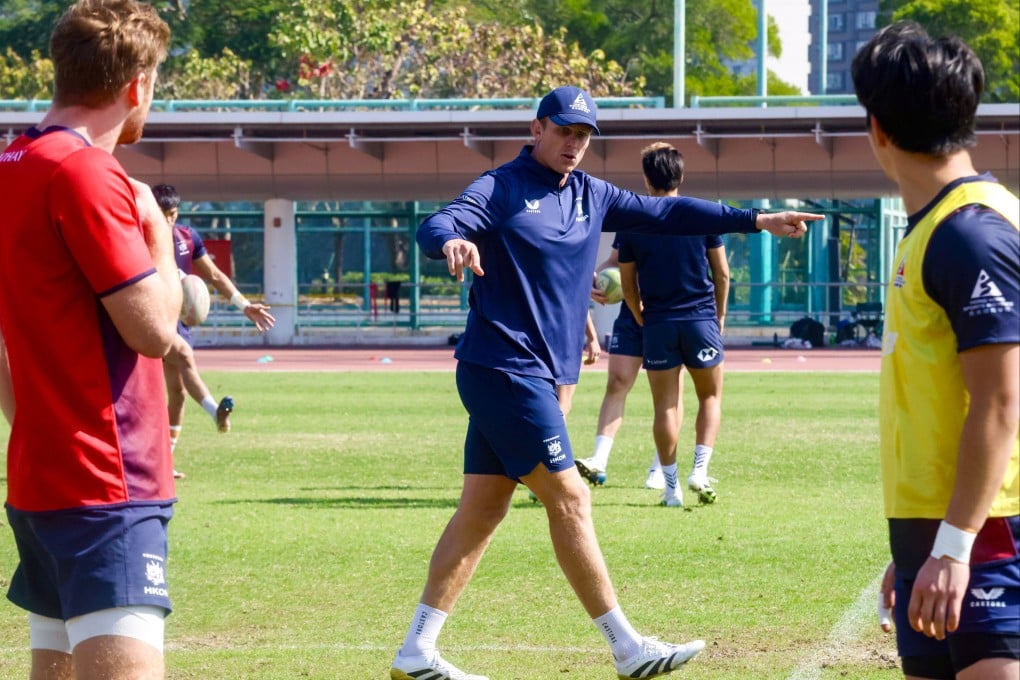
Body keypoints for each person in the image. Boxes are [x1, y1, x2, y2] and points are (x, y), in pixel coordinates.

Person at [391, 85, 821, 680]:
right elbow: (440, 221)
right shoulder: (503, 185)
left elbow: (669, 213)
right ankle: (626, 647)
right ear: (537, 128)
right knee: (571, 497)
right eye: (565, 131)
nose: (575, 144)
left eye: (585, 135)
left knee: (482, 511)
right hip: (503, 368)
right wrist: (453, 241)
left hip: (533, 372)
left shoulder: (593, 195)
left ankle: (417, 651)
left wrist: (756, 220)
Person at [0, 2, 180, 678]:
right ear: (137, 84)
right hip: (109, 484)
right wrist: (158, 235)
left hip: (42, 476)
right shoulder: (88, 174)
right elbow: (155, 330)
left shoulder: (11, 164)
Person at [852, 22, 1020, 680]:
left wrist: (954, 544)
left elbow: (1002, 400)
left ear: (877, 128)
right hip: (940, 525)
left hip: (989, 533)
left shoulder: (970, 232)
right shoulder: (938, 226)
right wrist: (922, 542)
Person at [577, 143, 730, 493]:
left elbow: (628, 282)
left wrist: (636, 310)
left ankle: (667, 480)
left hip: (654, 318)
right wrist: (719, 316)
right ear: (682, 174)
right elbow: (722, 274)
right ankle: (693, 472)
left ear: (646, 178)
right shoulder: (704, 214)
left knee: (666, 403)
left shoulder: (636, 223)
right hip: (692, 319)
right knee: (700, 397)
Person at [151, 184, 275, 478]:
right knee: (182, 359)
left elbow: (215, 275)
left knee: (177, 392)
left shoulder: (186, 237)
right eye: (161, 214)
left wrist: (244, 306)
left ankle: (164, 463)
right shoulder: (138, 238)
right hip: (149, 317)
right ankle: (214, 411)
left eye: (171, 214)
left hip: (177, 319)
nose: (167, 221)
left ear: (176, 212)